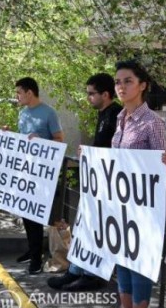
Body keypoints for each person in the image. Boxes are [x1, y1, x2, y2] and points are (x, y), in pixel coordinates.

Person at [99, 60, 166, 308]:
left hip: (143, 209)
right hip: (121, 205)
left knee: (140, 264)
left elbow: (162, 167)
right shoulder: (121, 118)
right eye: (118, 81)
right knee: (124, 262)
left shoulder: (152, 122)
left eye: (127, 81)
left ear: (142, 85)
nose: (121, 86)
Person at [48, 73, 122, 291]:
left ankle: (93, 275)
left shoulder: (116, 114)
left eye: (92, 94)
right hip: (97, 180)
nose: (88, 98)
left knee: (98, 230)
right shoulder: (105, 114)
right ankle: (76, 270)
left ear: (105, 95)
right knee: (85, 227)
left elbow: (116, 152)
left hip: (109, 184)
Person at [12, 77, 64, 275]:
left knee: (36, 216)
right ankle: (33, 249)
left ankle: (36, 257)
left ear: (29, 93)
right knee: (26, 213)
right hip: (25, 170)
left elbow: (59, 140)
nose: (17, 96)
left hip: (43, 173)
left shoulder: (49, 112)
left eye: (19, 92)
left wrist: (42, 140)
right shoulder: (23, 113)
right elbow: (22, 139)